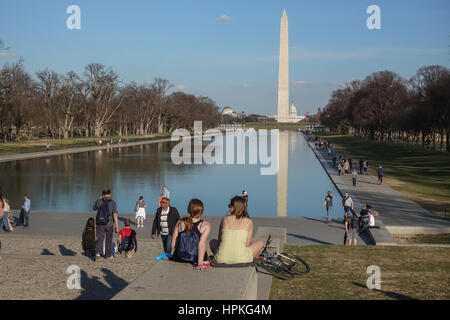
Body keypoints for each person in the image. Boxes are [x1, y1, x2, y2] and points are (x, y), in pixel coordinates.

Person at [210, 196, 264, 265]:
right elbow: (247, 245)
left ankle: (224, 255)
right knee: (260, 243)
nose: (229, 207)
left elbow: (220, 240)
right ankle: (253, 257)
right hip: (242, 259)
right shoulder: (249, 222)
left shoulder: (224, 219)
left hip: (220, 259)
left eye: (229, 205)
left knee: (212, 242)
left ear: (233, 208)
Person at [171, 199, 211, 270]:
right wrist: (200, 264)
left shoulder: (180, 222)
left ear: (188, 210)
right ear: (202, 211)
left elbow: (173, 245)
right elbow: (201, 245)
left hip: (179, 258)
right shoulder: (205, 225)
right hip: (195, 259)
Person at [93, 190, 119, 262]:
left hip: (100, 223)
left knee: (99, 239)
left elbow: (94, 208)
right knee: (109, 239)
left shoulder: (99, 201)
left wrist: (99, 199)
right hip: (109, 224)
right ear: (110, 194)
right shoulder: (113, 202)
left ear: (103, 194)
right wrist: (116, 225)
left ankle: (98, 254)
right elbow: (115, 214)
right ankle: (108, 255)